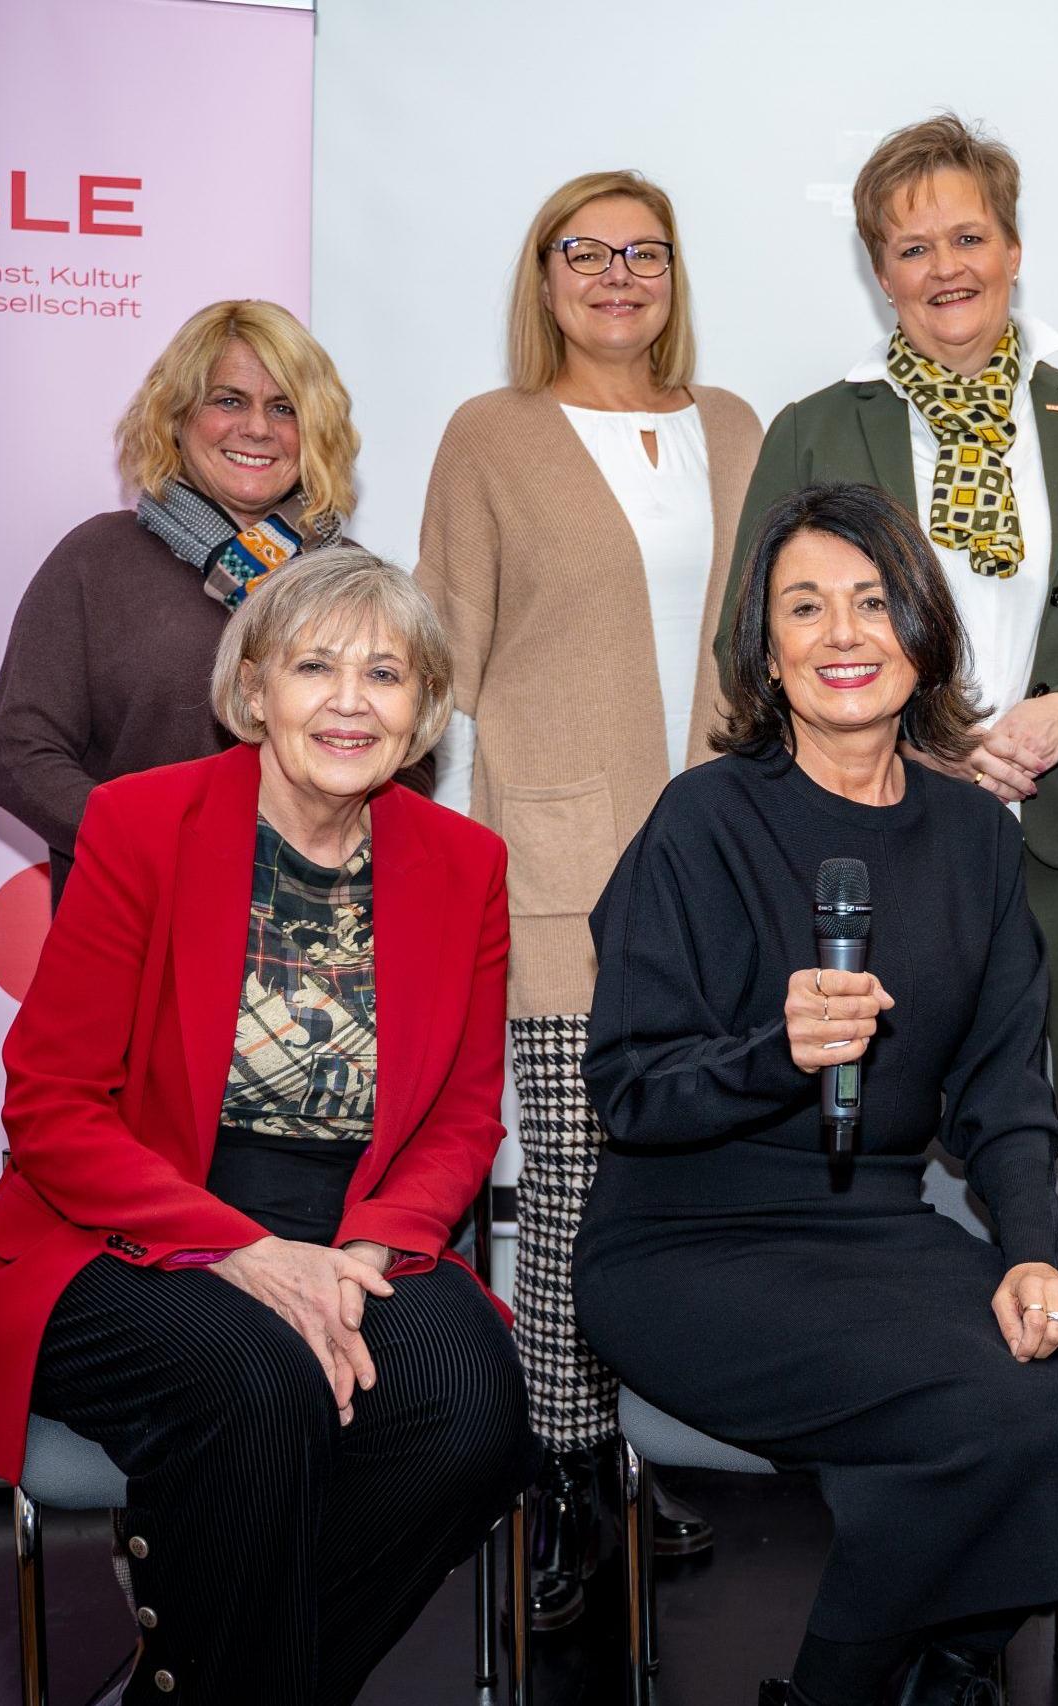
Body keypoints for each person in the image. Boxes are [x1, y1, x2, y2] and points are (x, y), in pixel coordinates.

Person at [577, 484, 1058, 1706]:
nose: (843, 634)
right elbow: (630, 1090)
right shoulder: (701, 820)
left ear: (924, 632)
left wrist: (1034, 1254)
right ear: (765, 648)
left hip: (878, 1234)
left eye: (873, 601)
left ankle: (943, 1669)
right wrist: (772, 1051)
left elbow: (1006, 1091)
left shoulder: (976, 836)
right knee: (975, 1413)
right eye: (805, 607)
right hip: (690, 1244)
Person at [0, 549, 537, 1705]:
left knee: (472, 1414)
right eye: (315, 667)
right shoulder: (141, 823)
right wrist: (250, 1252)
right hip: (131, 1224)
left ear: (423, 709)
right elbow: (51, 1104)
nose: (349, 701)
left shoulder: (464, 860)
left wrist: (361, 1254)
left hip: (354, 1225)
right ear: (254, 688)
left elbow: (462, 1112)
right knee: (261, 1383)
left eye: (385, 673)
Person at [415, 166, 761, 1623]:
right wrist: (433, 874)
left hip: (725, 876)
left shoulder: (734, 425)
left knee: (679, 1185)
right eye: (587, 251)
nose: (619, 274)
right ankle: (564, 1474)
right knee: (569, 1184)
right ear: (544, 275)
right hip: (559, 868)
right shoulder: (490, 434)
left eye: (646, 252)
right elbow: (440, 662)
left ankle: (627, 1450)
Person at [723, 112, 1058, 1092]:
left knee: (1021, 1111)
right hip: (862, 832)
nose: (946, 268)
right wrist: (920, 737)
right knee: (867, 1111)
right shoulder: (813, 432)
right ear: (881, 272)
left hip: (1055, 845)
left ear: (1013, 252)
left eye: (969, 237)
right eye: (913, 248)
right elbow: (751, 648)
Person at [0, 299, 426, 910]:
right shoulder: (96, 560)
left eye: (285, 408)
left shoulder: (354, 582)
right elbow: (22, 758)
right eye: (229, 401)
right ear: (176, 417)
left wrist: (307, 859)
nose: (257, 428)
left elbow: (411, 759)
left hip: (313, 920)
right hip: (135, 911)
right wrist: (157, 852)